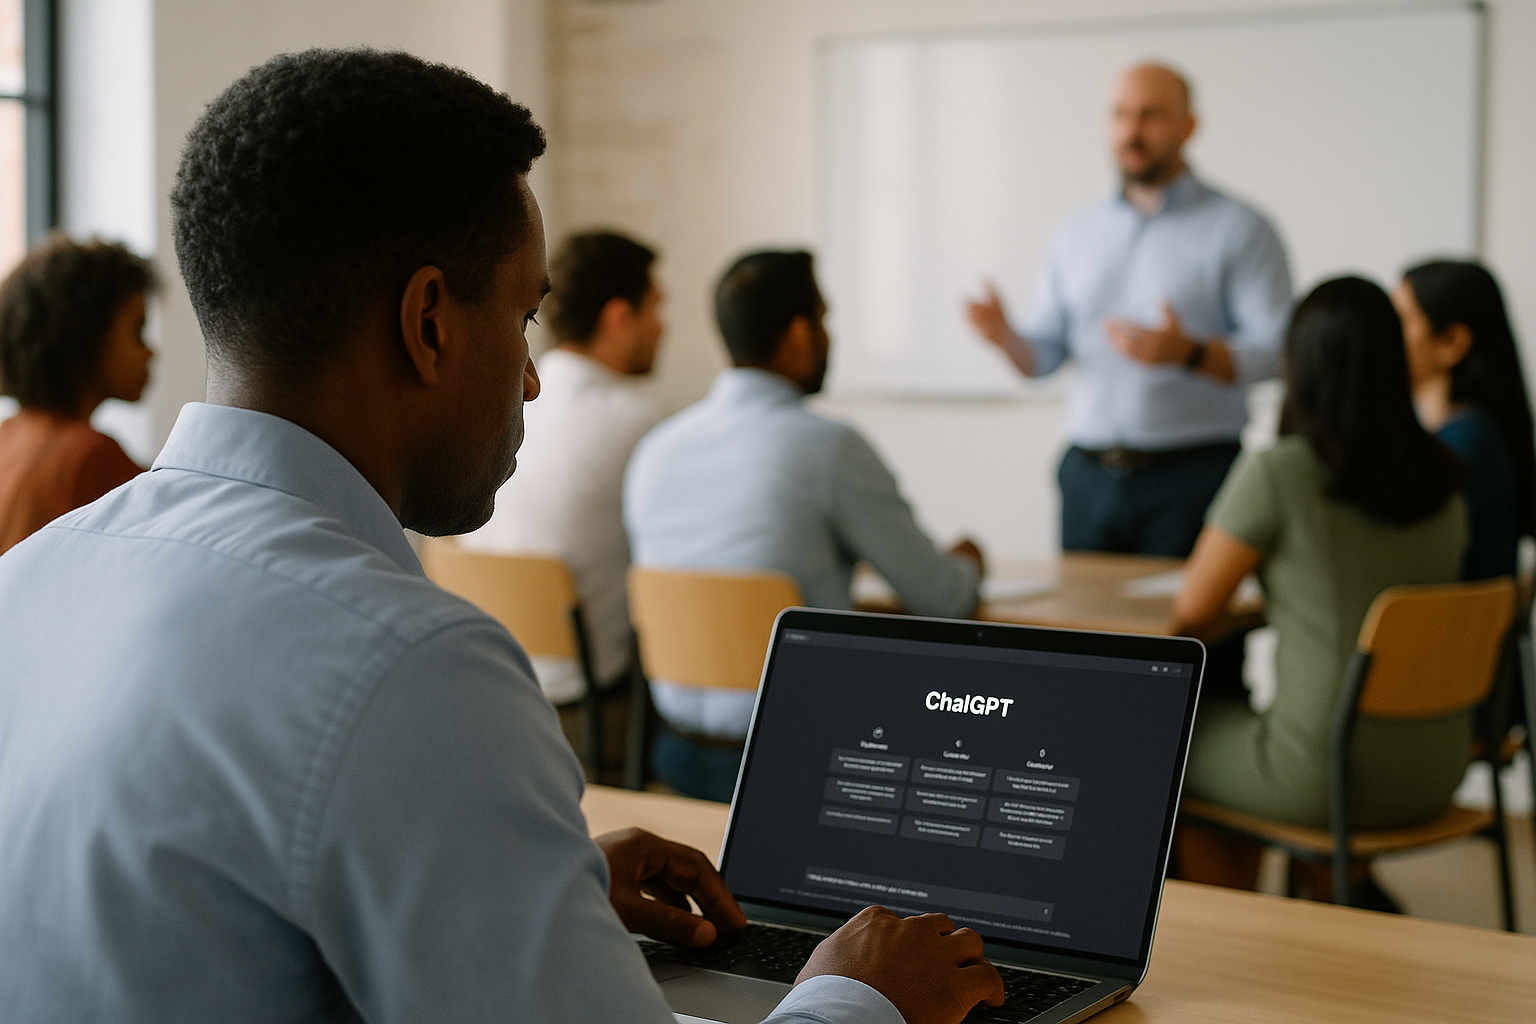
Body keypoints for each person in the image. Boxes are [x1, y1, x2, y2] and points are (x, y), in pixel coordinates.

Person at [0, 50, 1003, 1023]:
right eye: (524, 318)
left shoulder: (30, 578)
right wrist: (860, 996)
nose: (530, 379)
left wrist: (523, 886)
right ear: (429, 322)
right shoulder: (410, 667)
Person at [625, 250, 984, 802]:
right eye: (823, 319)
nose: (828, 337)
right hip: (795, 763)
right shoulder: (829, 449)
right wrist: (969, 561)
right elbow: (942, 599)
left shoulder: (655, 451)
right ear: (797, 334)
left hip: (675, 757)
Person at [1169, 277, 1467, 899]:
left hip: (1322, 775)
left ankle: (1235, 929)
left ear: (1298, 367)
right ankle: (1320, 896)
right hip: (1436, 769)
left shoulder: (1280, 472)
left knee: (1156, 740)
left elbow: (1191, 611)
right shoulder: (1445, 478)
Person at [966, 63, 1292, 557]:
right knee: (1081, 611)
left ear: (1189, 126)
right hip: (1089, 475)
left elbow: (1277, 351)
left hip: (1194, 473)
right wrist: (1006, 338)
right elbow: (1044, 358)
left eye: (1150, 115)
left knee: (1187, 612)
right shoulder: (1075, 231)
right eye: (1119, 114)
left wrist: (1190, 354)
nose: (1131, 131)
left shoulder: (1240, 228)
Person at [460, 230, 665, 769]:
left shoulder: (500, 402)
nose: (662, 327)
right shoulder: (639, 424)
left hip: (493, 691)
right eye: (655, 308)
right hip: (593, 715)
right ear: (618, 317)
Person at [0, 234, 155, 555]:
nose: (151, 352)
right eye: (137, 331)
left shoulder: (8, 434)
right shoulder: (91, 458)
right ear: (88, 337)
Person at [1393, 260, 1535, 582]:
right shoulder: (1474, 433)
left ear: (1452, 342)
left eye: (1400, 322)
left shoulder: (1463, 444)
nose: (1384, 337)